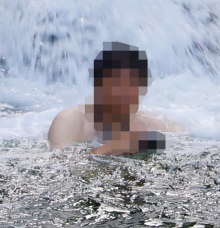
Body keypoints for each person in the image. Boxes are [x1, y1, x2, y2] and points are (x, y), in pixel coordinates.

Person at [47, 43, 184, 155]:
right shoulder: (70, 121)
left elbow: (184, 140)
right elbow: (57, 167)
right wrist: (107, 151)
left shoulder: (154, 125)